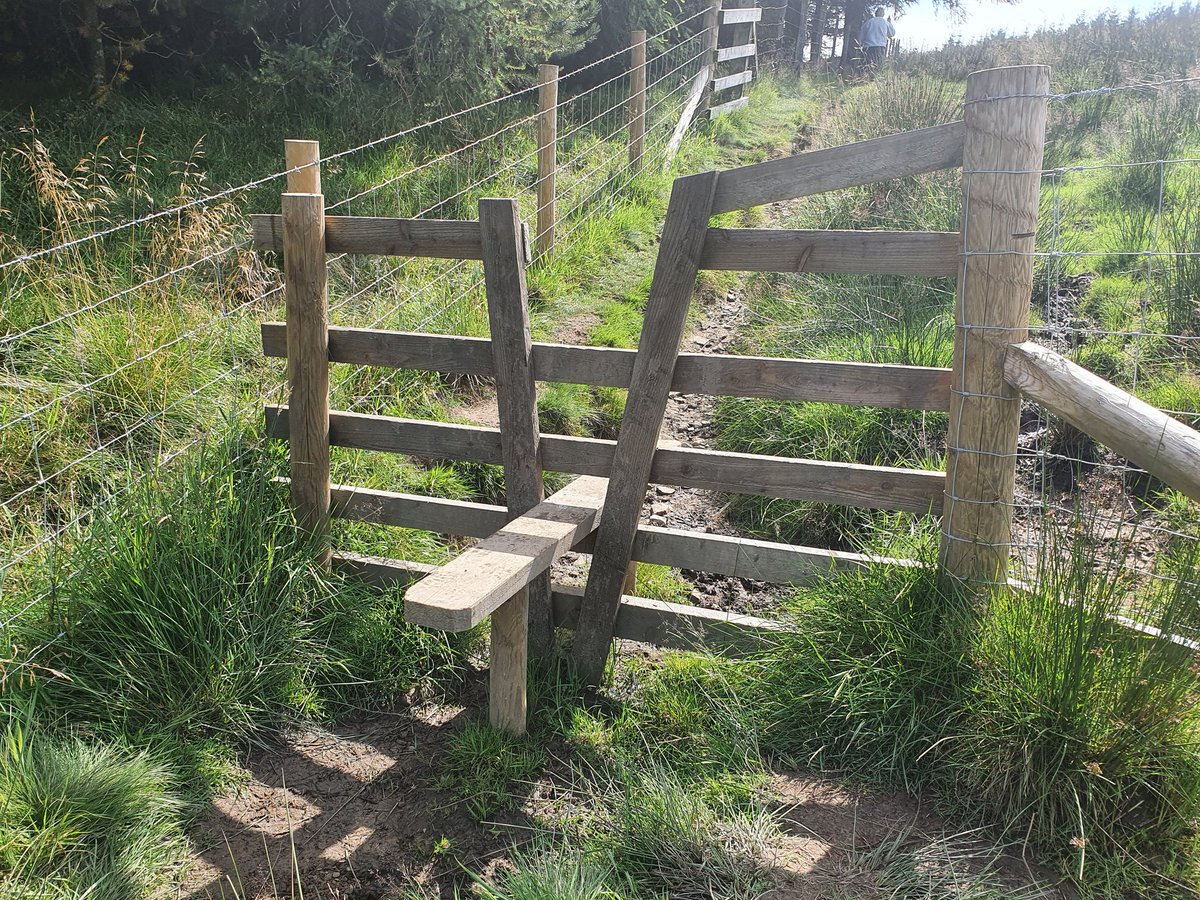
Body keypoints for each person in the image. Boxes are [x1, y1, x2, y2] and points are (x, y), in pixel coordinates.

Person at [857, 7, 896, 75]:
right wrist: (890, 22)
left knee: (866, 65)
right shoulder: (885, 22)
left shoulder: (869, 22)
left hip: (867, 47)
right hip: (880, 47)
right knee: (877, 66)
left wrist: (860, 44)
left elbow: (861, 34)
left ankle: (863, 79)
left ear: (876, 13)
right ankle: (874, 80)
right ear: (883, 14)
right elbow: (892, 34)